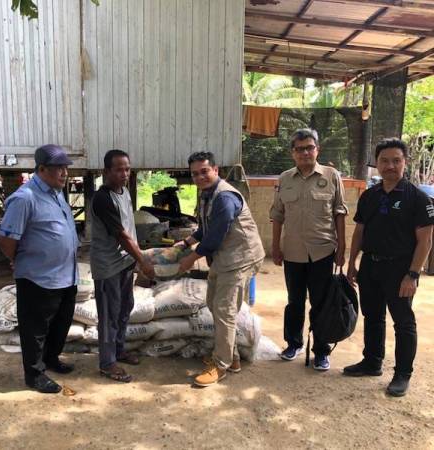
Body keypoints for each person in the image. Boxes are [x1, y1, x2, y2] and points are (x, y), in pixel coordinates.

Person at [345, 138, 434, 397]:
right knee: (372, 316)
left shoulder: (417, 199)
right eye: (385, 160)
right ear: (377, 164)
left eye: (396, 160)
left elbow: (425, 241)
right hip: (370, 266)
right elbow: (359, 231)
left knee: (403, 323)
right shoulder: (369, 196)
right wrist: (353, 263)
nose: (390, 166)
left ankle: (402, 374)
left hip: (400, 270)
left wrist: (413, 275)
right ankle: (372, 361)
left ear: (405, 163)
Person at [177, 151, 265, 387]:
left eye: (204, 171)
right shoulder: (207, 194)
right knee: (213, 303)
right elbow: (206, 227)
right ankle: (232, 356)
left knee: (224, 310)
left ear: (216, 170)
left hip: (240, 258)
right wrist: (186, 242)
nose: (200, 177)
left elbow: (215, 236)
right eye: (195, 174)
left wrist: (189, 259)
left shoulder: (225, 197)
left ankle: (222, 364)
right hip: (224, 258)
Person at [0, 145, 79, 394]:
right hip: (38, 277)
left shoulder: (57, 194)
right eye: (58, 168)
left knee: (60, 323)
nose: (64, 173)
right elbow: (7, 240)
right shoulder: (25, 198)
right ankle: (34, 374)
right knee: (35, 330)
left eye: (66, 168)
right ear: (41, 169)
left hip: (66, 275)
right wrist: (20, 259)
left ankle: (51, 359)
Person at [270, 128, 348, 371]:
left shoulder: (331, 175)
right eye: (299, 149)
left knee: (321, 303)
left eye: (309, 147)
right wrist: (275, 246)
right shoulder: (284, 179)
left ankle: (321, 351)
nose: (305, 152)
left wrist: (342, 246)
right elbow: (277, 215)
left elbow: (339, 211)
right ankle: (293, 343)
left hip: (323, 251)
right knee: (294, 302)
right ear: (293, 153)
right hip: (292, 252)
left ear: (317, 150)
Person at [90, 149, 155, 383]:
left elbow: (130, 230)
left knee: (125, 308)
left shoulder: (124, 192)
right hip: (108, 266)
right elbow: (122, 236)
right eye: (118, 169)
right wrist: (143, 261)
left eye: (127, 169)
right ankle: (107, 363)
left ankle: (118, 350)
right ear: (106, 171)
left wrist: (135, 260)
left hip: (124, 263)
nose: (124, 173)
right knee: (108, 315)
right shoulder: (102, 199)